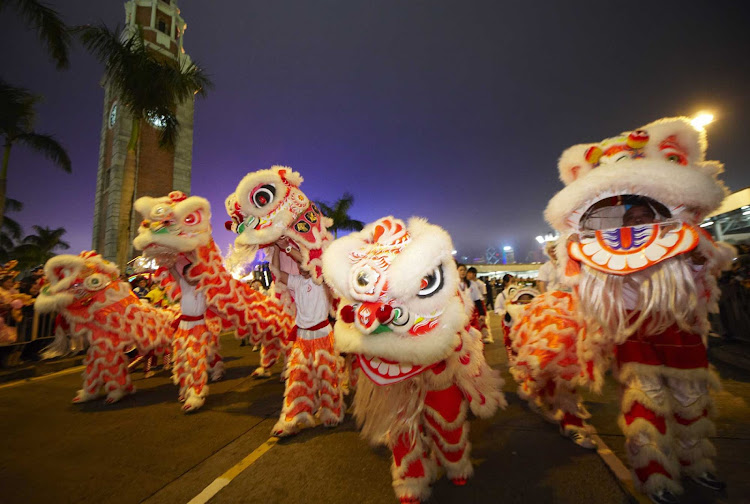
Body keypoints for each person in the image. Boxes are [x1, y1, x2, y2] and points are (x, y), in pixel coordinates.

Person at [270, 237, 343, 437]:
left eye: (305, 260)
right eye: (300, 262)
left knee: (328, 376)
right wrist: (276, 249)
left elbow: (312, 265)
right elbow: (276, 274)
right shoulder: (296, 282)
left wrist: (288, 247)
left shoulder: (322, 280)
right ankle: (291, 418)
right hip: (302, 338)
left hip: (323, 336)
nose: (302, 265)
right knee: (296, 377)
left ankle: (331, 411)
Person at [467, 267, 493, 343]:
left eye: (469, 273)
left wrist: (482, 306)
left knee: (483, 321)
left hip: (479, 303)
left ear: (474, 274)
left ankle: (487, 336)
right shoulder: (467, 283)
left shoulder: (480, 284)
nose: (468, 274)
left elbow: (483, 295)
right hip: (472, 305)